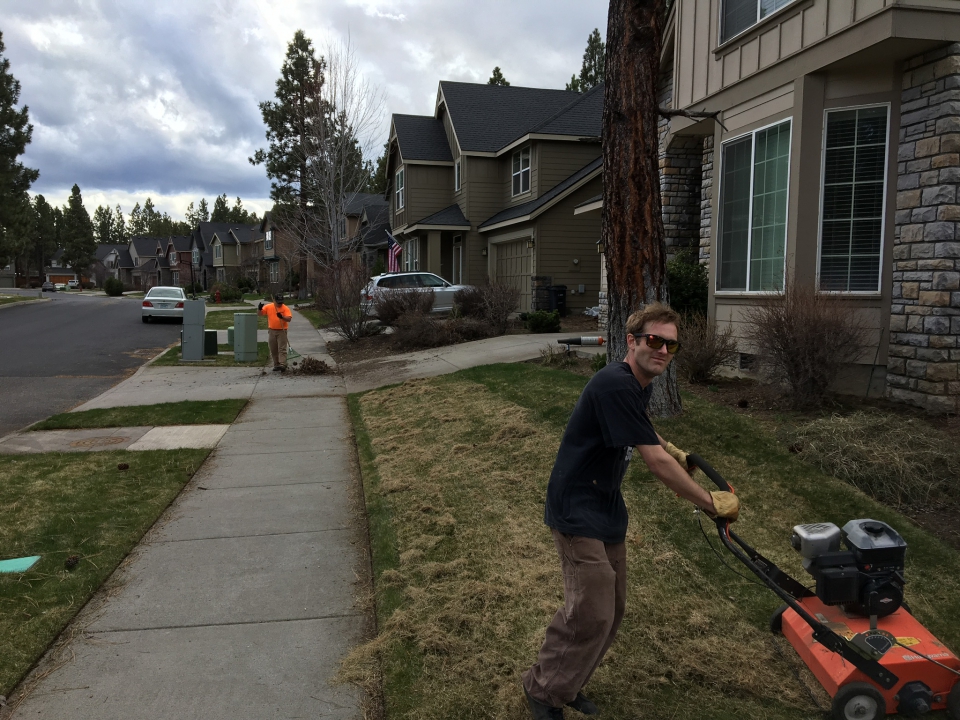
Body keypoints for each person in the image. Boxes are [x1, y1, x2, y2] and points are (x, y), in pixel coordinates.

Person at [521, 303, 740, 719]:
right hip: (576, 508)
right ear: (632, 341)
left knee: (612, 608)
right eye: (654, 340)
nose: (663, 351)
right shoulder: (614, 383)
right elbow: (654, 463)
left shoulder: (638, 385)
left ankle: (567, 681)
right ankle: (543, 689)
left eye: (671, 345)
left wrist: (671, 447)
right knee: (591, 609)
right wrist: (711, 503)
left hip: (605, 505)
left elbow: (641, 427)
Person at [258, 293, 293, 372]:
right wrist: (259, 309)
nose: (280, 304)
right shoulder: (269, 307)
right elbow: (260, 314)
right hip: (272, 331)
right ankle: (276, 364)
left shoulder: (285, 308)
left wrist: (282, 317)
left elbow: (289, 319)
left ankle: (283, 364)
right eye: (278, 302)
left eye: (281, 302)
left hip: (282, 331)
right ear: (274, 300)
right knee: (273, 349)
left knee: (282, 348)